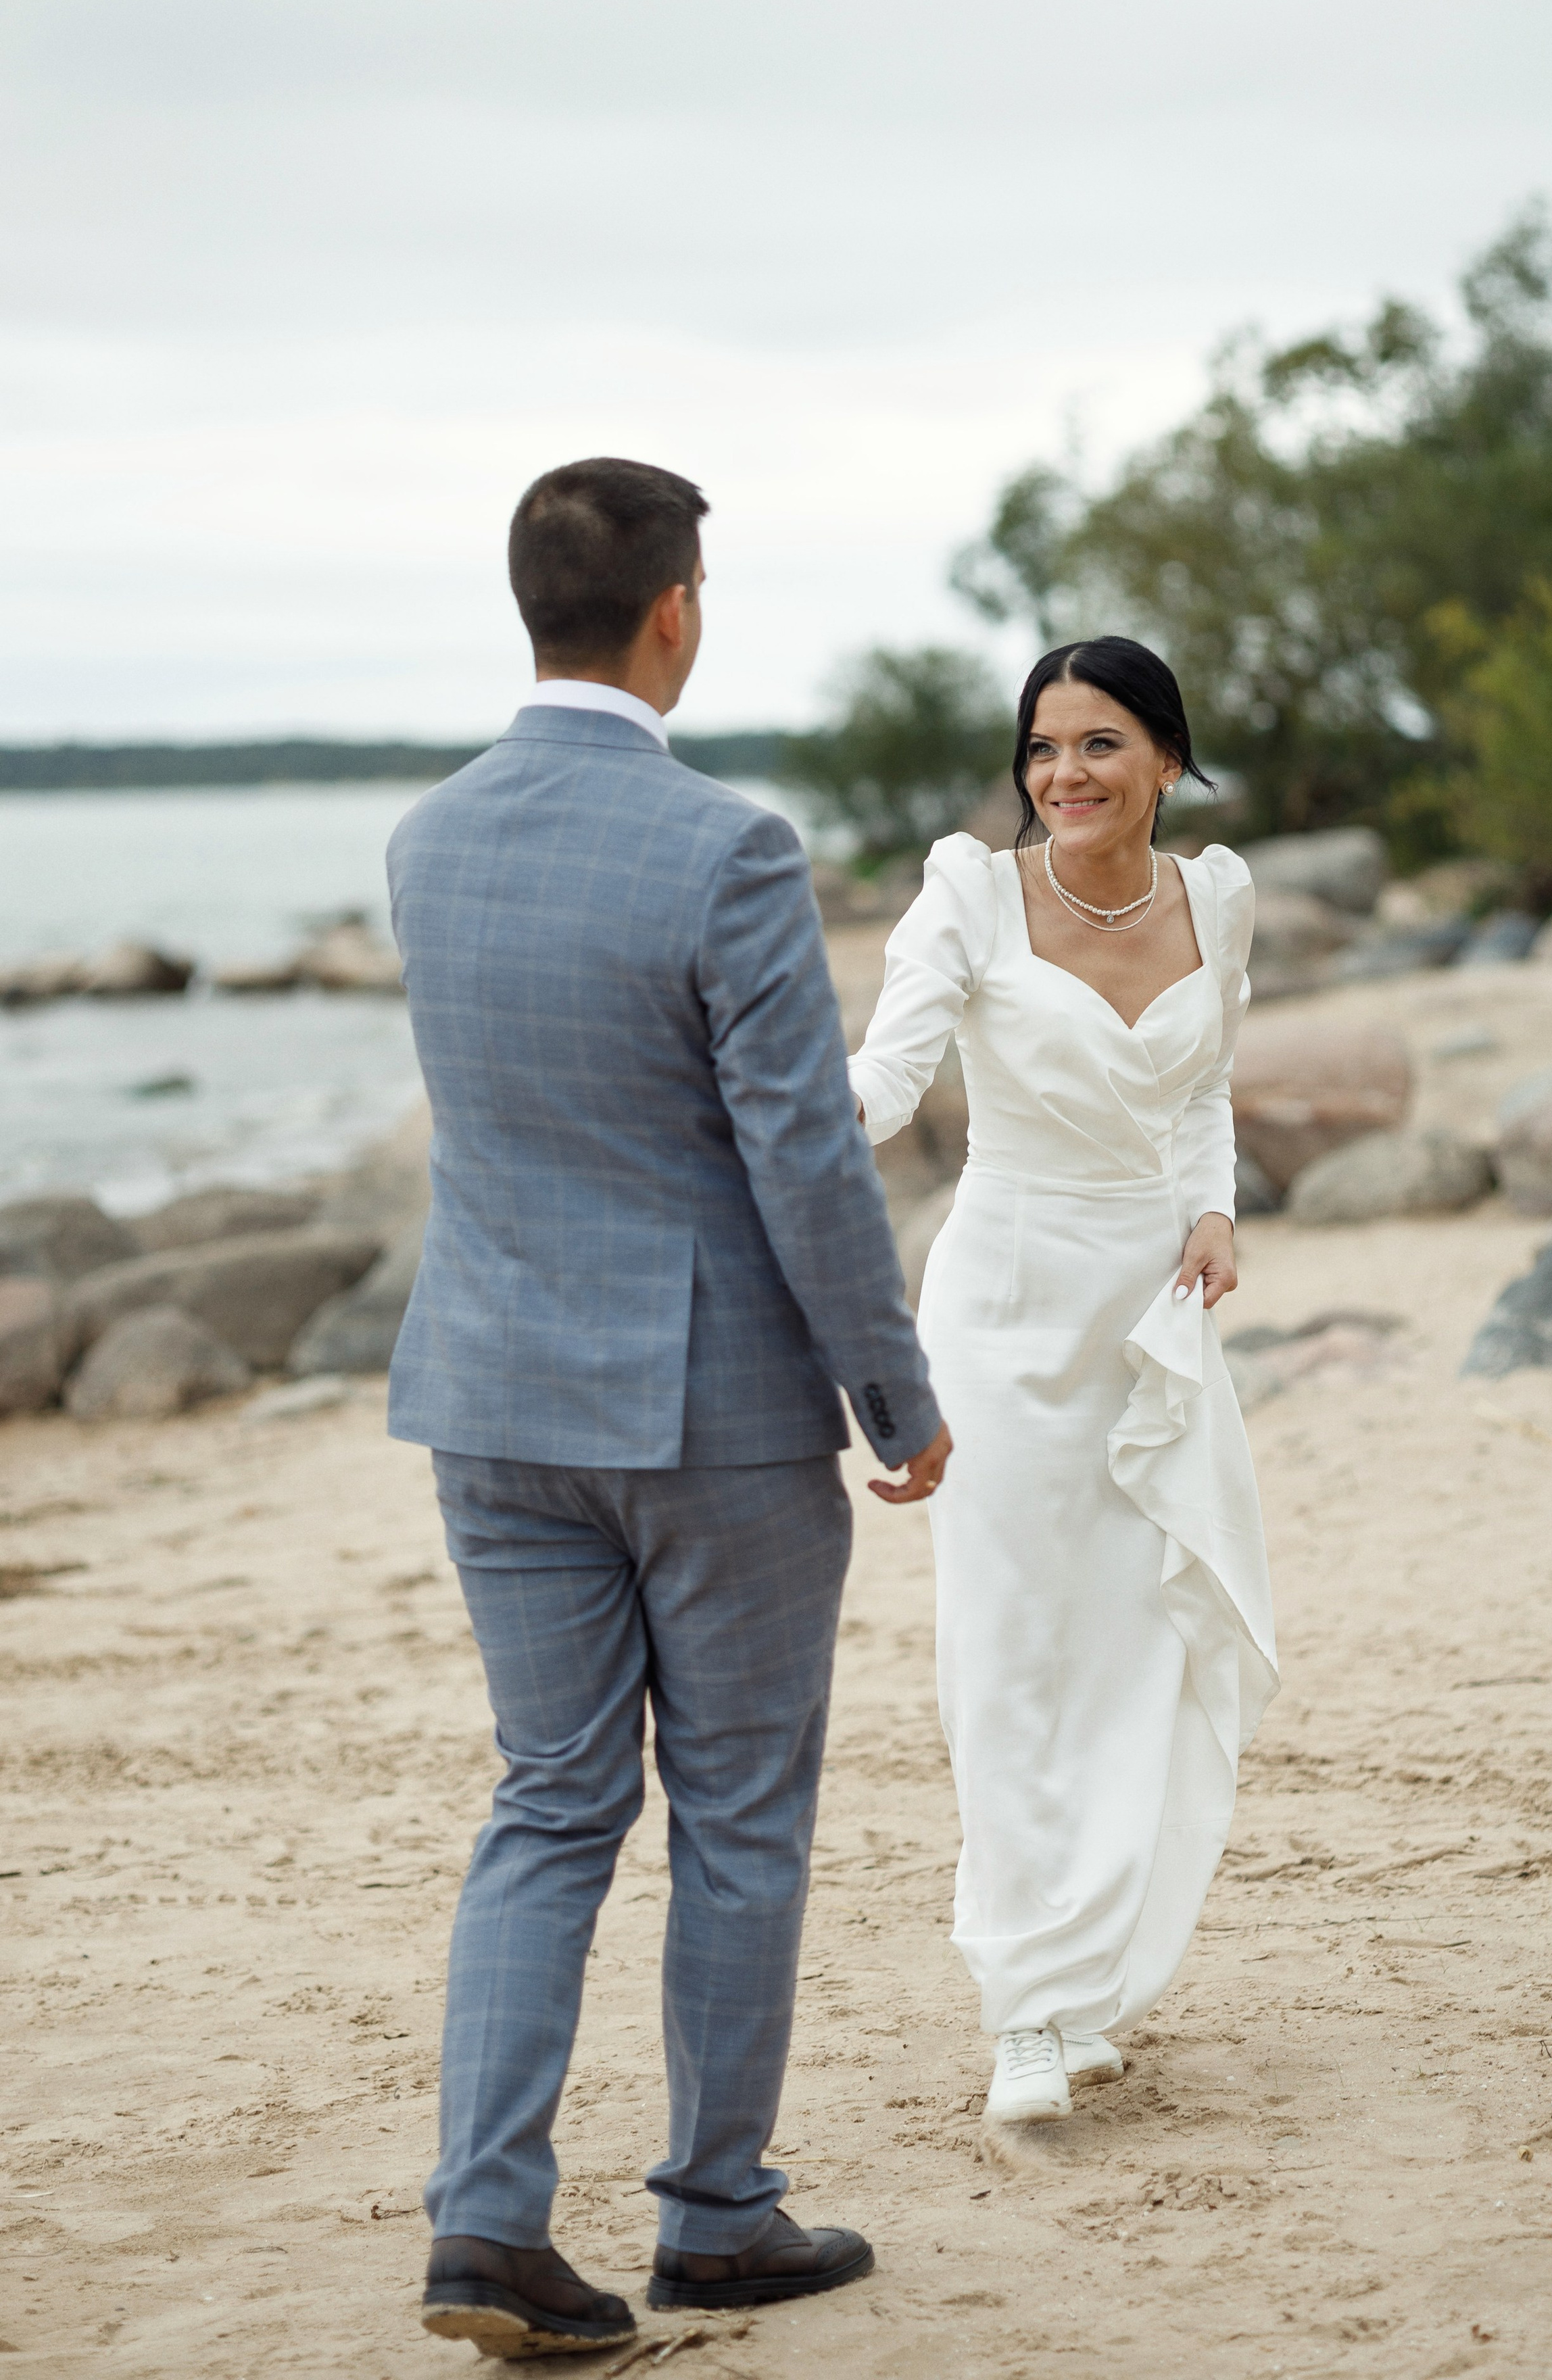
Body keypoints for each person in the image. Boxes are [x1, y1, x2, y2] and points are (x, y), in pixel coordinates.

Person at [388, 457, 952, 2358]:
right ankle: (714, 2218)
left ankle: (485, 2223)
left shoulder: (425, 841)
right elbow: (803, 1153)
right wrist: (890, 1391)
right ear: (674, 613)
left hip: (491, 1400)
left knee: (549, 1805)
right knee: (736, 1815)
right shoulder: (729, 848)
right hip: (713, 1419)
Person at [847, 637, 1278, 2125]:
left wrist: (1213, 1208)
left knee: (1135, 1639)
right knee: (1011, 1645)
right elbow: (882, 1083)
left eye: (1097, 744)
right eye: (1041, 747)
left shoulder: (1215, 899)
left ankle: (1086, 1981)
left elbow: (1204, 1082)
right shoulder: (969, 894)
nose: (1062, 775)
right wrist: (758, 1114)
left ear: (1166, 758)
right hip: (1003, 1306)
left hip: (1148, 1313)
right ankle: (1024, 2008)